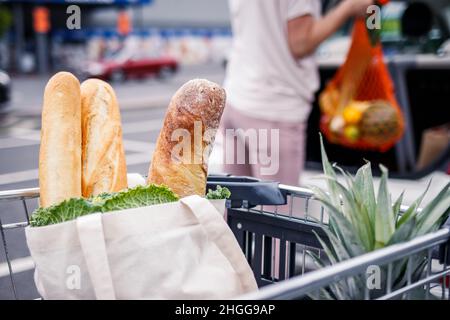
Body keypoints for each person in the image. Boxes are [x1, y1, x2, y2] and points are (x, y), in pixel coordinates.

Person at [221, 0, 374, 185]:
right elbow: (300, 43)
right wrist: (347, 8)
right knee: (277, 211)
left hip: (237, 97)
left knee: (235, 206)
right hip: (275, 109)